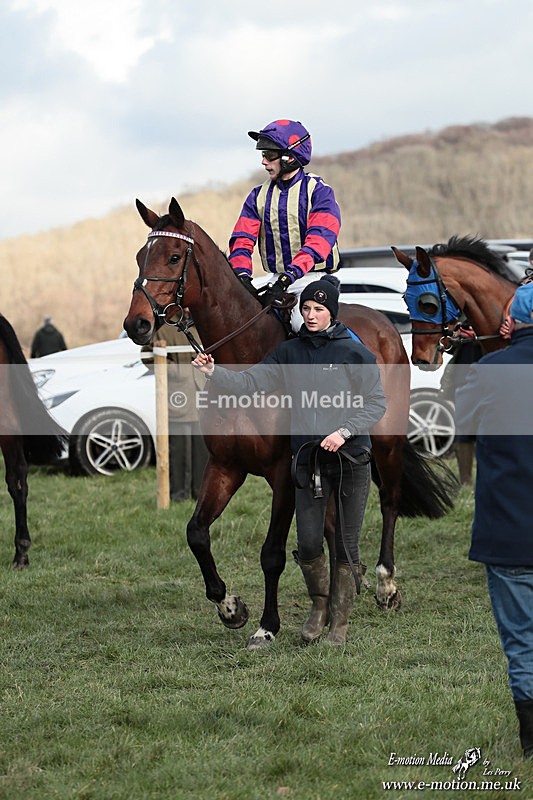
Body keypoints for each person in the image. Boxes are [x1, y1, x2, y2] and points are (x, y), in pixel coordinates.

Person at [192, 275, 386, 645]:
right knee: (310, 543)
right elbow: (249, 383)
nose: (311, 315)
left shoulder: (354, 352)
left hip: (350, 461)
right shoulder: (289, 352)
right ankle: (318, 608)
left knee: (345, 544)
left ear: (332, 311)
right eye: (307, 309)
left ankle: (339, 624)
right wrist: (214, 372)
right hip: (308, 464)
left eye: (319, 308)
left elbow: (376, 403)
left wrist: (343, 431)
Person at [455, 282, 533, 758]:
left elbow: (460, 427)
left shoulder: (489, 370)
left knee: (523, 643)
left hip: (508, 532)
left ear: (513, 323)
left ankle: (530, 745)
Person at [228, 119, 341, 329]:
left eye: (269, 155)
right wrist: (242, 275)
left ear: (290, 157)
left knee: (303, 324)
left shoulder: (319, 192)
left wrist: (288, 278)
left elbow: (318, 242)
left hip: (312, 280)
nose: (263, 162)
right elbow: (242, 240)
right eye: (262, 155)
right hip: (275, 280)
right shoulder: (257, 196)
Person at [143, 317, 209, 502]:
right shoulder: (164, 329)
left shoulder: (203, 325)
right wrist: (178, 371)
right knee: (178, 451)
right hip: (177, 399)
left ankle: (200, 493)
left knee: (202, 451)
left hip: (202, 397)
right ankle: (178, 495)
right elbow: (147, 356)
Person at [439, 324, 483, 485]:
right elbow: (448, 347)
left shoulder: (504, 307)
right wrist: (455, 337)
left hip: (492, 375)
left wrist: (477, 335)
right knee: (463, 433)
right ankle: (466, 481)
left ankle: (486, 477)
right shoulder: (462, 314)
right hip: (462, 378)